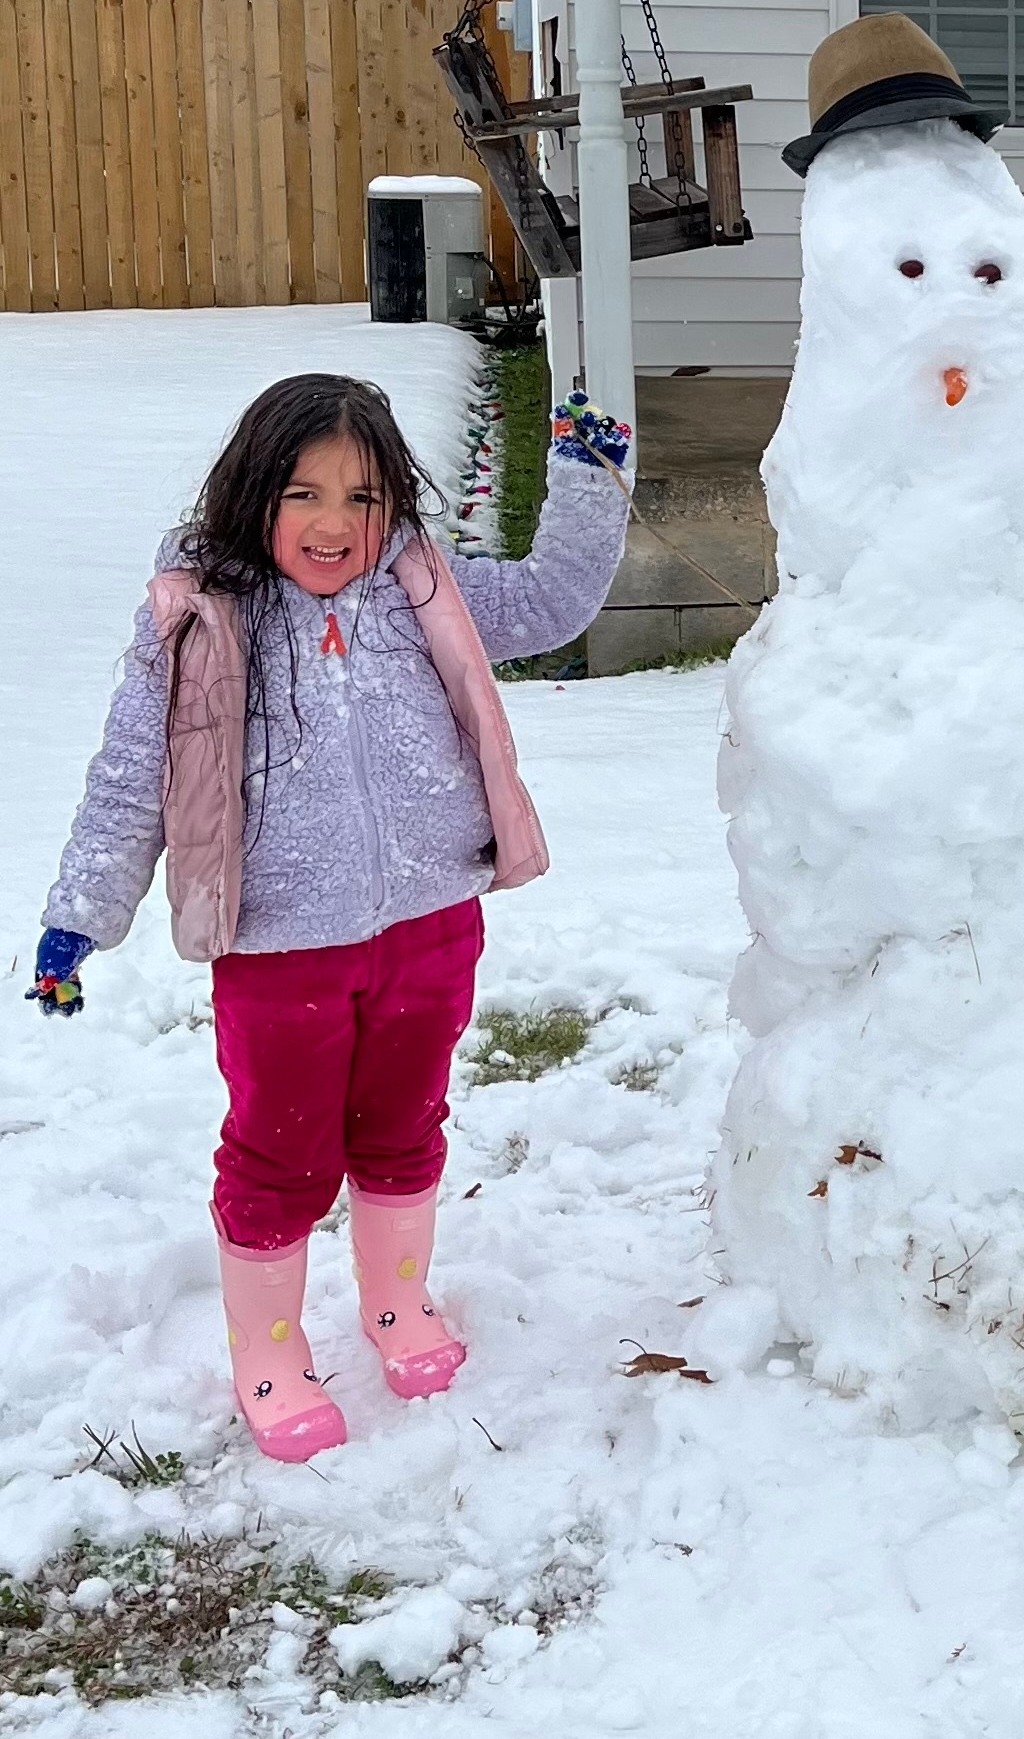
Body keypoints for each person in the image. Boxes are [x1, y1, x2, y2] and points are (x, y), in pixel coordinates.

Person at [29, 372, 632, 1463]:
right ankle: (268, 1351)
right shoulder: (201, 615)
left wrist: (589, 476)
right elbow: (133, 775)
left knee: (405, 1125)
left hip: (429, 918)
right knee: (282, 1150)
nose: (333, 524)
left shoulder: (421, 585)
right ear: (253, 492)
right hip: (277, 944)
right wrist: (83, 914)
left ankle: (394, 1306)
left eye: (362, 498)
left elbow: (552, 603)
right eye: (304, 493)